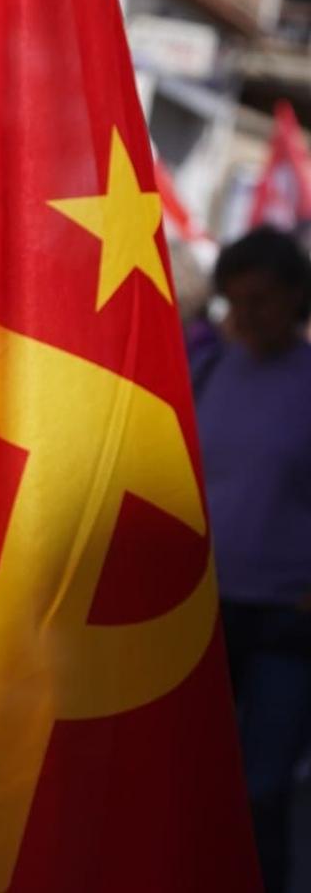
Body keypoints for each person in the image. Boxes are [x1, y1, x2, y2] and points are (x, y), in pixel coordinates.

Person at [192, 225, 311, 892]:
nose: (247, 315)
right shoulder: (207, 367)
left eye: (262, 300)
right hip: (202, 611)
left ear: (295, 297)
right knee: (192, 778)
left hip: (286, 626)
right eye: (236, 301)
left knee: (262, 791)